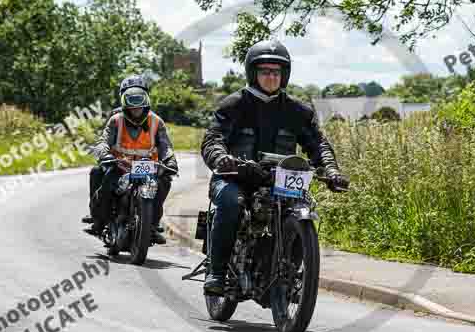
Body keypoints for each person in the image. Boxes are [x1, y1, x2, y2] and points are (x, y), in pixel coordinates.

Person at [200, 39, 350, 295]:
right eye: (265, 71)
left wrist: (331, 171)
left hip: (280, 179)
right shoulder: (234, 105)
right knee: (232, 202)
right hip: (236, 177)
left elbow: (318, 145)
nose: (271, 77)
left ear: (284, 75)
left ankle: (288, 273)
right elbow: (213, 139)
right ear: (253, 72)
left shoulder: (297, 110)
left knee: (301, 207)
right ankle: (218, 272)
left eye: (276, 72)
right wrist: (220, 157)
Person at [85, 85, 178, 245]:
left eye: (140, 109)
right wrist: (105, 154)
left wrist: (170, 161)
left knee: (164, 182)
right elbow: (103, 141)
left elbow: (165, 146)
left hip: (148, 168)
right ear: (126, 108)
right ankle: (100, 220)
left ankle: (152, 225)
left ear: (146, 106)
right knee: (105, 179)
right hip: (120, 166)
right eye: (132, 109)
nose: (136, 112)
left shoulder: (157, 122)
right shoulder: (115, 120)